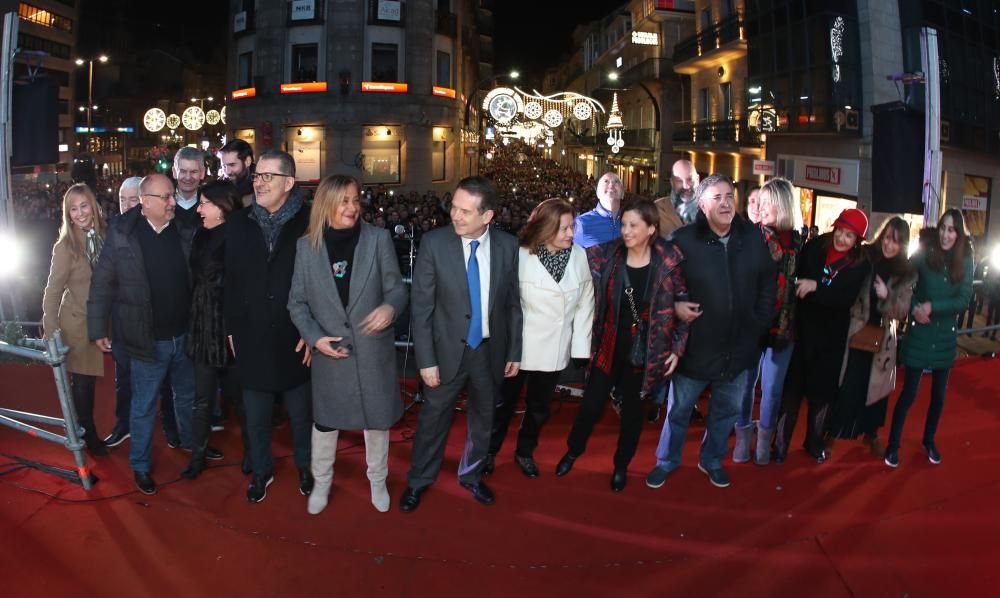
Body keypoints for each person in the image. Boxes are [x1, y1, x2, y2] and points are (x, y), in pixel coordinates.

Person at [645, 175, 776, 489]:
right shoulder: (682, 240)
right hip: (696, 347)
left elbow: (768, 284)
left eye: (729, 196)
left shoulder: (753, 238)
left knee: (726, 411)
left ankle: (712, 459)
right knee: (678, 410)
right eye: (716, 197)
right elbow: (659, 285)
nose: (725, 202)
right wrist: (676, 307)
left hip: (739, 347)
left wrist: (759, 322)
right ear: (701, 205)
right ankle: (667, 460)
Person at [400, 176, 522, 512]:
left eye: (465, 211)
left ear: (487, 216)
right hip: (444, 352)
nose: (455, 215)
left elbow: (513, 304)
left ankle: (471, 475)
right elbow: (421, 308)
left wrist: (514, 351)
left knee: (484, 418)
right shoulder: (435, 243)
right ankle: (419, 480)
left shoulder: (507, 247)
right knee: (432, 420)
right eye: (453, 207)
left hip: (489, 351)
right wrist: (425, 360)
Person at [288, 174, 407, 514]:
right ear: (326, 203)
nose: (353, 207)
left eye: (356, 200)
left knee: (377, 422)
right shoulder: (305, 247)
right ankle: (322, 483)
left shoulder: (378, 239)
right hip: (330, 353)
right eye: (345, 201)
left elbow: (397, 289)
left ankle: (378, 481)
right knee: (325, 423)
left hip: (373, 351)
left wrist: (390, 307)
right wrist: (314, 338)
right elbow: (296, 303)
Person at [556, 199, 687, 492]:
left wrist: (677, 348)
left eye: (634, 226)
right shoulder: (608, 253)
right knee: (590, 407)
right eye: (624, 224)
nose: (626, 231)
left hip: (645, 353)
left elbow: (682, 305)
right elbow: (572, 261)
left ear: (652, 229)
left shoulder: (669, 260)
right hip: (609, 345)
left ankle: (620, 466)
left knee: (631, 416)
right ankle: (573, 451)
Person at [87, 174, 197, 495]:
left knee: (187, 397)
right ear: (145, 201)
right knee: (144, 406)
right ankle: (140, 466)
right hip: (146, 340)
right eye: (165, 197)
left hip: (184, 335)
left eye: (172, 196)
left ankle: (192, 445)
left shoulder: (185, 229)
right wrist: (98, 328)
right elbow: (102, 284)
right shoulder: (122, 234)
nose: (172, 202)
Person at [224, 149, 314, 503]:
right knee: (255, 414)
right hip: (251, 334)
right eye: (257, 176)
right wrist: (232, 329)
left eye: (267, 176)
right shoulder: (238, 223)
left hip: (297, 335)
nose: (258, 182)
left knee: (302, 413)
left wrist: (314, 332)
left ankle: (308, 467)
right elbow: (230, 282)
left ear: (289, 183)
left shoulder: (310, 223)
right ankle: (261, 470)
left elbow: (322, 284)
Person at [487, 199, 594, 478]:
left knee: (538, 409)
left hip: (554, 346)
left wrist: (581, 347)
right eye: (564, 229)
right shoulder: (519, 255)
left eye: (573, 226)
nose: (571, 234)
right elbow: (503, 303)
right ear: (545, 229)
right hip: (518, 348)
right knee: (503, 405)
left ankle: (524, 452)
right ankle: (487, 452)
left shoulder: (579, 255)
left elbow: (585, 302)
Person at [773, 208, 870, 463]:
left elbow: (845, 298)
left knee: (821, 397)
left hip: (832, 339)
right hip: (803, 332)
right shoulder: (815, 246)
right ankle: (779, 445)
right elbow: (798, 277)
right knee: (791, 393)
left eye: (849, 235)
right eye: (840, 231)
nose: (842, 238)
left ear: (857, 240)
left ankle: (814, 443)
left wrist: (816, 287)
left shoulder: (860, 264)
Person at [885, 209, 974, 468]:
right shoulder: (925, 253)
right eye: (943, 228)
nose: (946, 235)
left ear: (959, 234)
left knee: (939, 396)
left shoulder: (966, 259)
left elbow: (964, 299)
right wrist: (915, 307)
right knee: (909, 393)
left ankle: (929, 439)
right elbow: (901, 280)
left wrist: (932, 306)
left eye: (952, 230)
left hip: (945, 337)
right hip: (920, 333)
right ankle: (893, 445)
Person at [827, 217, 915, 457]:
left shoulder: (906, 273)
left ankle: (871, 433)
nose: (889, 245)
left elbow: (902, 311)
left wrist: (887, 295)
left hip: (883, 338)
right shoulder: (867, 257)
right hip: (858, 330)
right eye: (887, 237)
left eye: (895, 241)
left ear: (903, 244)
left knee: (876, 390)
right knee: (850, 385)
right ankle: (835, 432)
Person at [732, 178, 802, 465]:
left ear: (783, 205)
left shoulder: (799, 241)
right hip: (752, 326)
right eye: (759, 202)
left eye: (767, 202)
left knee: (772, 389)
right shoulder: (752, 237)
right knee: (745, 385)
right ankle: (741, 440)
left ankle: (763, 442)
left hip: (783, 327)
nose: (760, 207)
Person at [180, 181, 241, 479]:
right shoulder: (199, 235)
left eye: (204, 203)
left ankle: (254, 457)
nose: (199, 208)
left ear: (222, 206)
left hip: (231, 326)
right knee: (201, 397)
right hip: (203, 324)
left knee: (241, 396)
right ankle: (198, 454)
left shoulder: (239, 236)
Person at [42, 184, 108, 456]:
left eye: (84, 206)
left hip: (101, 321)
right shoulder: (65, 246)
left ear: (93, 206)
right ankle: (87, 432)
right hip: (76, 324)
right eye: (73, 208)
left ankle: (84, 429)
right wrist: (50, 331)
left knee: (87, 382)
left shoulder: (104, 236)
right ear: (67, 214)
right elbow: (52, 291)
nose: (80, 213)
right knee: (84, 383)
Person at [103, 176, 142, 447]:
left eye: (133, 199)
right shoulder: (112, 230)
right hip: (120, 317)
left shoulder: (158, 229)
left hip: (151, 319)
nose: (126, 205)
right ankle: (124, 423)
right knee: (123, 376)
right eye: (122, 200)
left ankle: (171, 427)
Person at [573, 172, 623, 248]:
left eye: (616, 182)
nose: (611, 185)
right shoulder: (581, 223)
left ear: (623, 193)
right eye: (606, 181)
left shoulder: (632, 222)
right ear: (598, 193)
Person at [172, 147, 206, 229]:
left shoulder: (212, 203)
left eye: (194, 172)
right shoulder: (161, 202)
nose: (188, 177)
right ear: (174, 172)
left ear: (202, 173)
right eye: (183, 171)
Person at [219, 139, 254, 205]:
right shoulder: (220, 186)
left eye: (232, 165)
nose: (227, 171)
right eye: (224, 166)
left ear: (247, 161)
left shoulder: (261, 188)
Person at [669, 159, 700, 225]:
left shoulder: (711, 210)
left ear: (697, 180)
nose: (685, 186)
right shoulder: (659, 209)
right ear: (672, 182)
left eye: (690, 179)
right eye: (679, 181)